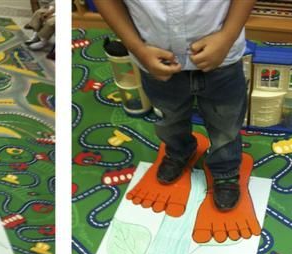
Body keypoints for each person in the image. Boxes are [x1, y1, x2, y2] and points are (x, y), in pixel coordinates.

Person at [93, 0, 256, 210]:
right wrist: (137, 48)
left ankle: (225, 169)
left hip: (222, 57)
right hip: (155, 58)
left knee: (226, 123)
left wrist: (227, 37)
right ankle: (179, 151)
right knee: (168, 117)